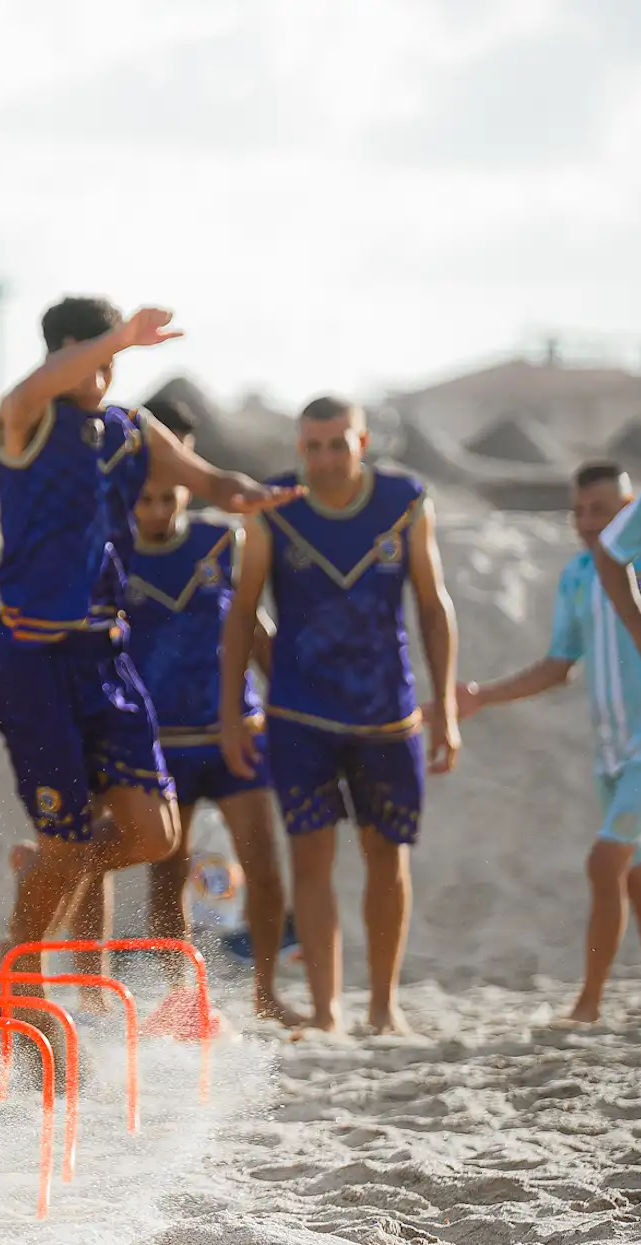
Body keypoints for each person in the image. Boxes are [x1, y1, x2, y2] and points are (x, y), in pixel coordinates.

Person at [0, 297, 300, 1009]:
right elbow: (37, 385)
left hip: (106, 660)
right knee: (70, 843)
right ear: (64, 352)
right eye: (93, 354)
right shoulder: (24, 417)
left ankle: (38, 893)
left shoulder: (131, 430)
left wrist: (248, 494)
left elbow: (210, 481)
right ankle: (24, 979)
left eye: (113, 358)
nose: (105, 370)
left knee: (154, 836)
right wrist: (118, 336)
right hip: (34, 661)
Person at [222, 397, 459, 1035]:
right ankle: (327, 1010)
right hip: (300, 714)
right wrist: (230, 713)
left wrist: (446, 707)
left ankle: (383, 1008)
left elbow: (432, 605)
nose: (324, 458)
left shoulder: (406, 501)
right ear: (299, 446)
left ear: (362, 442)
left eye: (337, 444)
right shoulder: (273, 506)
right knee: (311, 862)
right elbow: (242, 613)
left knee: (388, 857)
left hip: (388, 713)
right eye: (312, 445)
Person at [101, 392, 302, 1026]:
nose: (159, 509)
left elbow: (255, 628)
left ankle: (267, 994)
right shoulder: (112, 552)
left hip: (232, 731)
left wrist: (289, 702)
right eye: (148, 498)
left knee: (262, 864)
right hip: (158, 740)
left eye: (170, 496)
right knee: (168, 874)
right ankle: (180, 999)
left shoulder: (222, 542)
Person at [456, 461, 641, 1022]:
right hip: (611, 752)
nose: (588, 522)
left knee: (603, 863)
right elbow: (559, 665)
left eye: (602, 511)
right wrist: (482, 695)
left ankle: (587, 1005)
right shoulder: (577, 576)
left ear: (632, 510)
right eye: (579, 511)